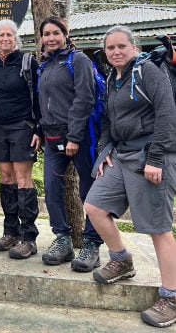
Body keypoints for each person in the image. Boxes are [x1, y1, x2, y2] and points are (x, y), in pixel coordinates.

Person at [84, 25, 176, 328]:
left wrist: (155, 158)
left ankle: (171, 296)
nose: (116, 52)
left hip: (150, 156)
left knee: (158, 228)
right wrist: (105, 150)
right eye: (110, 48)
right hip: (121, 155)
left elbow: (166, 112)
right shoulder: (114, 77)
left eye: (122, 46)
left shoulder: (147, 71)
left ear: (134, 47)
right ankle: (121, 259)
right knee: (94, 206)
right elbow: (109, 119)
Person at [38, 15, 103, 272]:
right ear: (41, 39)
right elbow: (42, 103)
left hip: (79, 135)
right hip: (51, 138)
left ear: (65, 35)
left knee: (89, 191)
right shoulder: (44, 65)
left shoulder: (78, 60)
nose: (51, 38)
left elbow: (84, 98)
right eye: (47, 34)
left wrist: (75, 136)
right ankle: (63, 238)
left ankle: (92, 243)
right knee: (52, 188)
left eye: (56, 33)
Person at [0, 19, 42, 260]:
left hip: (22, 126)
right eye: (1, 35)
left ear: (16, 38)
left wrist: (38, 129)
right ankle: (10, 231)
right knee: (6, 178)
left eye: (10, 35)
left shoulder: (28, 62)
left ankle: (28, 237)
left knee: (23, 179)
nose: (5, 38)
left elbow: (39, 96)